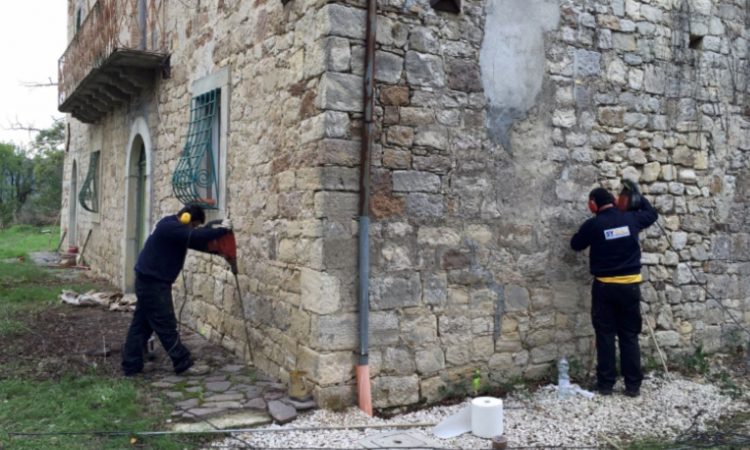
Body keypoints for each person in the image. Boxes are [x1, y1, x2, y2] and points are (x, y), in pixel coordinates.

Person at [122, 204, 232, 376]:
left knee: (141, 325)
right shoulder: (170, 227)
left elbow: (195, 239)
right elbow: (193, 235)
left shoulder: (174, 228)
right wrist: (221, 230)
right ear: (186, 218)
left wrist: (218, 249)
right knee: (166, 324)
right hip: (153, 284)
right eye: (194, 225)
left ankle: (131, 365)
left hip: (149, 281)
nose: (194, 228)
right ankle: (183, 363)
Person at [570, 183, 657, 397]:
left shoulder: (594, 225)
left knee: (606, 335)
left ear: (593, 205)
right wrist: (635, 194)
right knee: (629, 335)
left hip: (605, 288)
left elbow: (575, 244)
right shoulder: (632, 219)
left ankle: (606, 384)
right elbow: (652, 214)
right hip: (630, 287)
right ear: (613, 201)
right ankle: (633, 386)